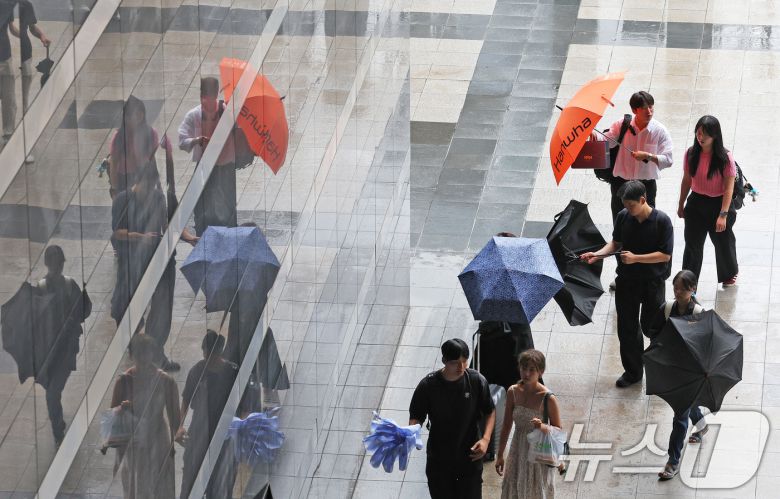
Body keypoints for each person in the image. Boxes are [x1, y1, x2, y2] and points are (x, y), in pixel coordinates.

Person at [581, 180, 673, 387]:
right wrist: (597, 255)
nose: (628, 209)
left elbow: (665, 255)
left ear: (643, 199)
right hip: (627, 281)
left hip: (652, 283)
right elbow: (615, 243)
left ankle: (661, 368)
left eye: (631, 205)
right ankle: (633, 372)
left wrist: (636, 258)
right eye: (625, 205)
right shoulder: (623, 216)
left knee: (652, 327)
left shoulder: (662, 221)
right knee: (627, 328)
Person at [110, 164, 180, 371]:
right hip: (132, 259)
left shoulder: (158, 198)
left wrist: (176, 236)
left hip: (156, 258)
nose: (151, 191)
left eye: (153, 186)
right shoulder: (122, 200)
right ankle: (135, 346)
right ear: (138, 182)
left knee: (162, 307)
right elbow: (117, 232)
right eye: (148, 186)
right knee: (124, 304)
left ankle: (156, 353)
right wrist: (141, 237)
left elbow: (165, 225)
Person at [409, 338, 496, 499]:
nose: (461, 367)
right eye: (455, 363)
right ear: (444, 361)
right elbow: (416, 416)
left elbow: (490, 411)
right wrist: (410, 433)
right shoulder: (428, 385)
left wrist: (485, 439)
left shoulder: (476, 381)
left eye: (464, 361)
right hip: (439, 459)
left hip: (470, 457)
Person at [646, 270, 708, 480]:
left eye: (682, 288)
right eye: (675, 287)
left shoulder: (699, 313)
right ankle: (701, 425)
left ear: (693, 289)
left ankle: (672, 462)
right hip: (672, 367)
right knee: (687, 405)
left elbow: (704, 343)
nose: (677, 291)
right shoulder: (667, 308)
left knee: (680, 415)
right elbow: (653, 332)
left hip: (691, 371)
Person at [110, 334, 180, 499]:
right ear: (131, 356)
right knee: (136, 488)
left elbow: (175, 418)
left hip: (158, 440)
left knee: (160, 488)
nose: (143, 358)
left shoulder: (166, 381)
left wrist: (176, 438)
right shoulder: (123, 382)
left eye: (146, 352)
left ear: (152, 353)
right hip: (135, 444)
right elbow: (113, 419)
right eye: (139, 353)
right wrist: (122, 409)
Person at [35, 245, 91, 447]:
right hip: (48, 351)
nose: (56, 267)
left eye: (58, 263)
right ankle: (57, 422)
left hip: (65, 349)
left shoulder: (67, 285)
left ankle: (58, 430)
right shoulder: (42, 288)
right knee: (52, 390)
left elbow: (84, 310)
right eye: (54, 263)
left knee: (52, 393)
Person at [678, 115, 739, 288]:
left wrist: (723, 215)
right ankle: (689, 281)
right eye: (698, 133)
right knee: (692, 244)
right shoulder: (691, 153)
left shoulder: (725, 158)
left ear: (715, 135)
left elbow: (729, 189)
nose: (701, 137)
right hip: (696, 202)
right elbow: (687, 180)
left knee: (722, 241)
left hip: (719, 203)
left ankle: (729, 273)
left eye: (705, 134)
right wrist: (681, 204)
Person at [177, 331, 239, 499]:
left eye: (213, 354)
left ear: (220, 352)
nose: (209, 358)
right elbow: (186, 399)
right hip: (199, 429)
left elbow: (240, 401)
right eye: (206, 353)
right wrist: (180, 426)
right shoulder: (197, 371)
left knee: (221, 477)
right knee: (190, 474)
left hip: (224, 431)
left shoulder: (232, 371)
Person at [495, 349, 560, 498]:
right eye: (524, 368)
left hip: (538, 452)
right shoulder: (512, 392)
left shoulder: (548, 398)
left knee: (534, 491)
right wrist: (500, 454)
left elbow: (558, 431)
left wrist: (542, 426)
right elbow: (506, 425)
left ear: (541, 372)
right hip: (517, 450)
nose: (527, 373)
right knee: (514, 489)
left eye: (532, 370)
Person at [178, 77, 238, 236]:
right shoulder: (194, 115)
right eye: (204, 96)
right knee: (200, 205)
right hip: (204, 166)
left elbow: (240, 133)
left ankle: (229, 235)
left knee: (228, 206)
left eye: (211, 96)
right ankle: (202, 235)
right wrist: (196, 140)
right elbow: (182, 141)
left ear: (216, 95)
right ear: (201, 96)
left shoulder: (227, 112)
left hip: (225, 167)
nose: (207, 101)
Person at [109, 96, 165, 198]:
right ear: (126, 118)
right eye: (135, 114)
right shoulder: (118, 137)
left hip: (143, 175)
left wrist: (157, 183)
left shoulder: (151, 133)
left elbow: (152, 159)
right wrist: (114, 189)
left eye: (141, 113)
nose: (139, 116)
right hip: (124, 178)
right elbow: (114, 164)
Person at [0, 0, 17, 140]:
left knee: (9, 98)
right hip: (5, 57)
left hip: (5, 58)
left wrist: (25, 36)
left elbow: (12, 28)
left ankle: (8, 132)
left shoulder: (6, 5)